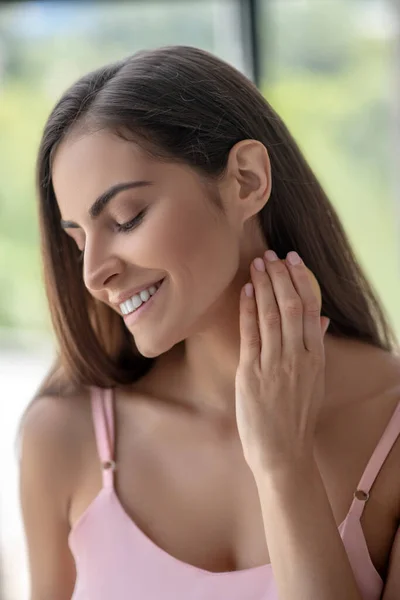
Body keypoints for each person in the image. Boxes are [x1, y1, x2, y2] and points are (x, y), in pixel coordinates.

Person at [19, 46, 400, 600]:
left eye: (127, 219)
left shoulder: (390, 422)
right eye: (77, 239)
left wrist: (283, 465)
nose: (94, 273)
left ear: (245, 180)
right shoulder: (63, 438)